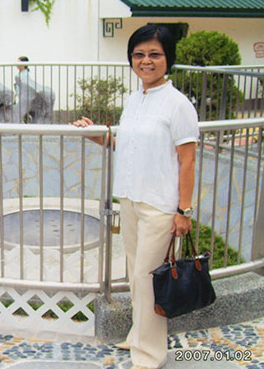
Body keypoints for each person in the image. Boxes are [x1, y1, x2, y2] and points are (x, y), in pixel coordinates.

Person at [73, 24, 199, 369]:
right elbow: (127, 142)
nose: (146, 61)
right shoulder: (135, 99)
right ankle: (138, 336)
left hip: (159, 204)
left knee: (147, 279)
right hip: (129, 199)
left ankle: (150, 354)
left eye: (154, 54)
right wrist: (100, 136)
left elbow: (187, 160)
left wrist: (183, 210)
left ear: (167, 59)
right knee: (134, 275)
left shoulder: (178, 105)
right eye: (139, 54)